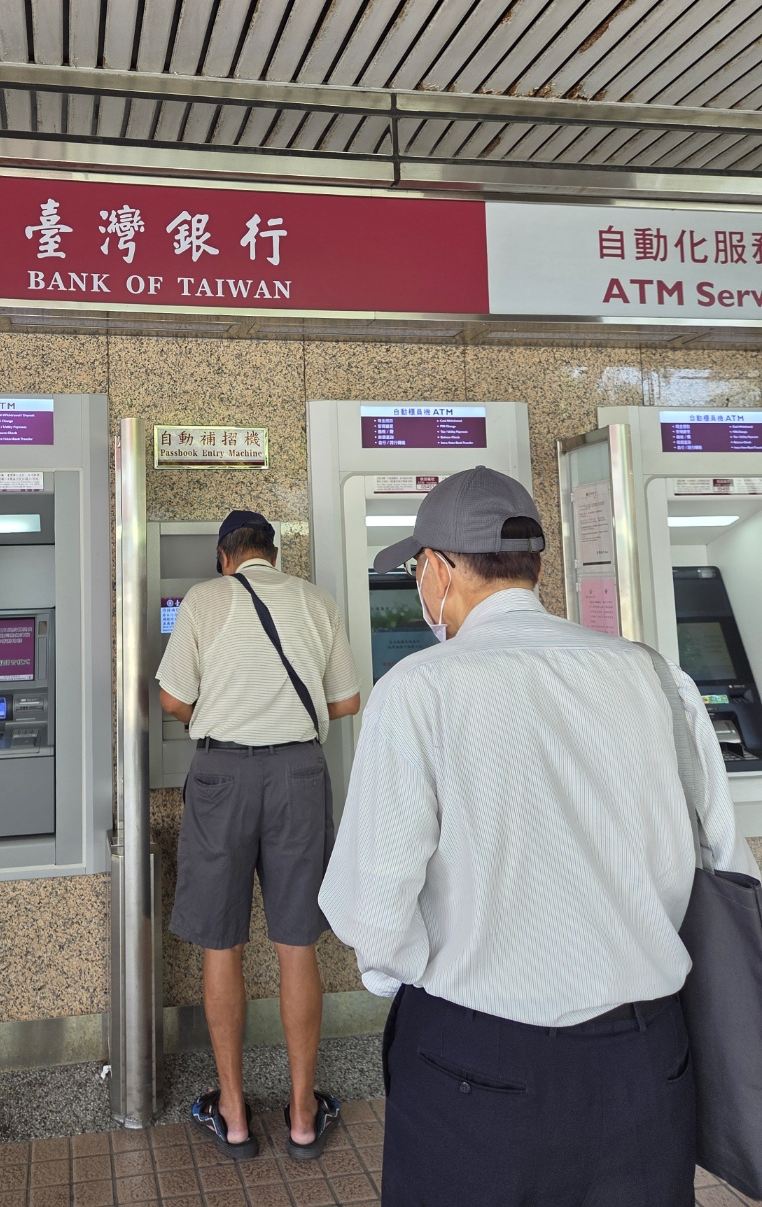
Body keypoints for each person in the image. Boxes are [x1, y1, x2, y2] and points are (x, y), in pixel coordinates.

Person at [319, 466, 760, 1207]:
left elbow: (374, 912)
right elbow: (722, 862)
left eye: (418, 570)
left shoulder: (419, 691)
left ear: (438, 571)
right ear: (537, 569)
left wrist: (425, 982)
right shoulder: (655, 676)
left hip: (478, 1064)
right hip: (647, 1061)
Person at [158, 509, 360, 1161]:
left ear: (225, 557)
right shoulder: (316, 601)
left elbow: (172, 699)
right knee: (296, 945)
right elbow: (346, 700)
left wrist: (223, 710)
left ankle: (235, 1113)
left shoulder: (203, 599)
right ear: (273, 554)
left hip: (222, 777)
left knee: (223, 943)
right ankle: (302, 1116)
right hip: (299, 774)